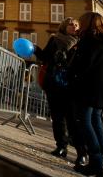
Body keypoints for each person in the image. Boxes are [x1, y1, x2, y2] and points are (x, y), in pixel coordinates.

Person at [69, 12, 103, 176]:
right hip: (101, 89)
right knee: (96, 122)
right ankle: (100, 160)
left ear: (88, 23)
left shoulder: (89, 40)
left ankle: (97, 161)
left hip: (87, 88)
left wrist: (71, 72)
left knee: (85, 122)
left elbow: (83, 65)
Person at [34, 17, 85, 161]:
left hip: (70, 86)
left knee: (72, 120)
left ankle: (81, 153)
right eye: (71, 24)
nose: (74, 27)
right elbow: (45, 57)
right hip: (54, 83)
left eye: (76, 25)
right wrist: (35, 49)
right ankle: (61, 147)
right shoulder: (55, 39)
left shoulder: (80, 42)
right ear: (64, 26)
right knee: (57, 118)